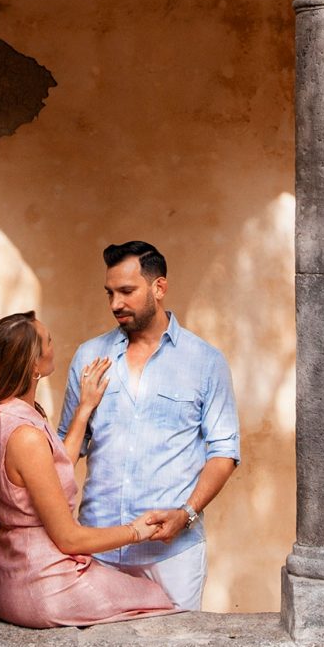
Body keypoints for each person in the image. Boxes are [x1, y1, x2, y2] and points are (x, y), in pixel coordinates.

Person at [56, 240, 240, 612]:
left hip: (172, 554)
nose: (115, 304)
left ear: (159, 288)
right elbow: (65, 452)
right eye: (110, 293)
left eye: (126, 291)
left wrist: (186, 515)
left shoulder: (205, 362)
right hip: (99, 549)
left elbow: (225, 452)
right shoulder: (90, 357)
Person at [0, 311, 184, 628]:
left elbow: (51, 472)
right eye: (48, 341)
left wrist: (84, 409)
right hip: (44, 587)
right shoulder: (26, 436)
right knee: (155, 596)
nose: (53, 346)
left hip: (1, 581)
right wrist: (137, 532)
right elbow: (69, 539)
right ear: (33, 364)